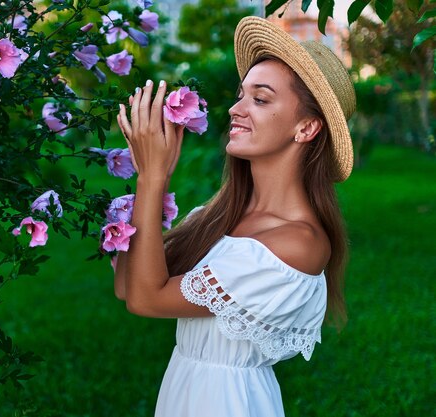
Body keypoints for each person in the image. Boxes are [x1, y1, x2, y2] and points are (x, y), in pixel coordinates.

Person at [114, 16, 356, 417]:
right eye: (241, 95)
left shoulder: (298, 243)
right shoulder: (214, 217)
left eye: (260, 100)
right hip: (181, 393)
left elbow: (146, 299)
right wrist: (150, 184)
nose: (235, 109)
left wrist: (152, 179)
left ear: (307, 127)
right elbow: (128, 285)